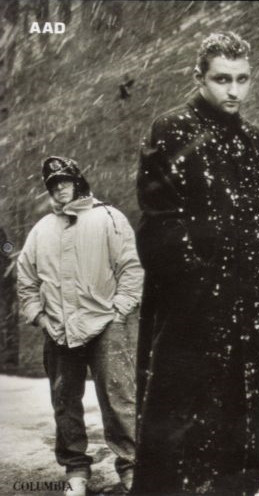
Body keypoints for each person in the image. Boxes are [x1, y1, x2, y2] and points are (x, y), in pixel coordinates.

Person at [133, 32, 259, 496]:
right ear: (199, 77)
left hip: (250, 317)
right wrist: (203, 290)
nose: (234, 91)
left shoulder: (256, 144)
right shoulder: (171, 130)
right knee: (180, 429)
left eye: (242, 79)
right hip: (190, 315)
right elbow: (160, 227)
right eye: (222, 79)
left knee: (239, 430)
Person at [17, 156, 143, 496]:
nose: (59, 188)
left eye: (65, 181)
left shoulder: (109, 218)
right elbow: (26, 281)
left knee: (119, 399)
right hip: (58, 330)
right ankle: (76, 470)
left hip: (106, 325)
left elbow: (131, 269)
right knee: (65, 402)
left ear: (78, 183)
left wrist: (119, 310)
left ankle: (132, 468)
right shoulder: (42, 230)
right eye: (53, 185)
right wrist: (40, 317)